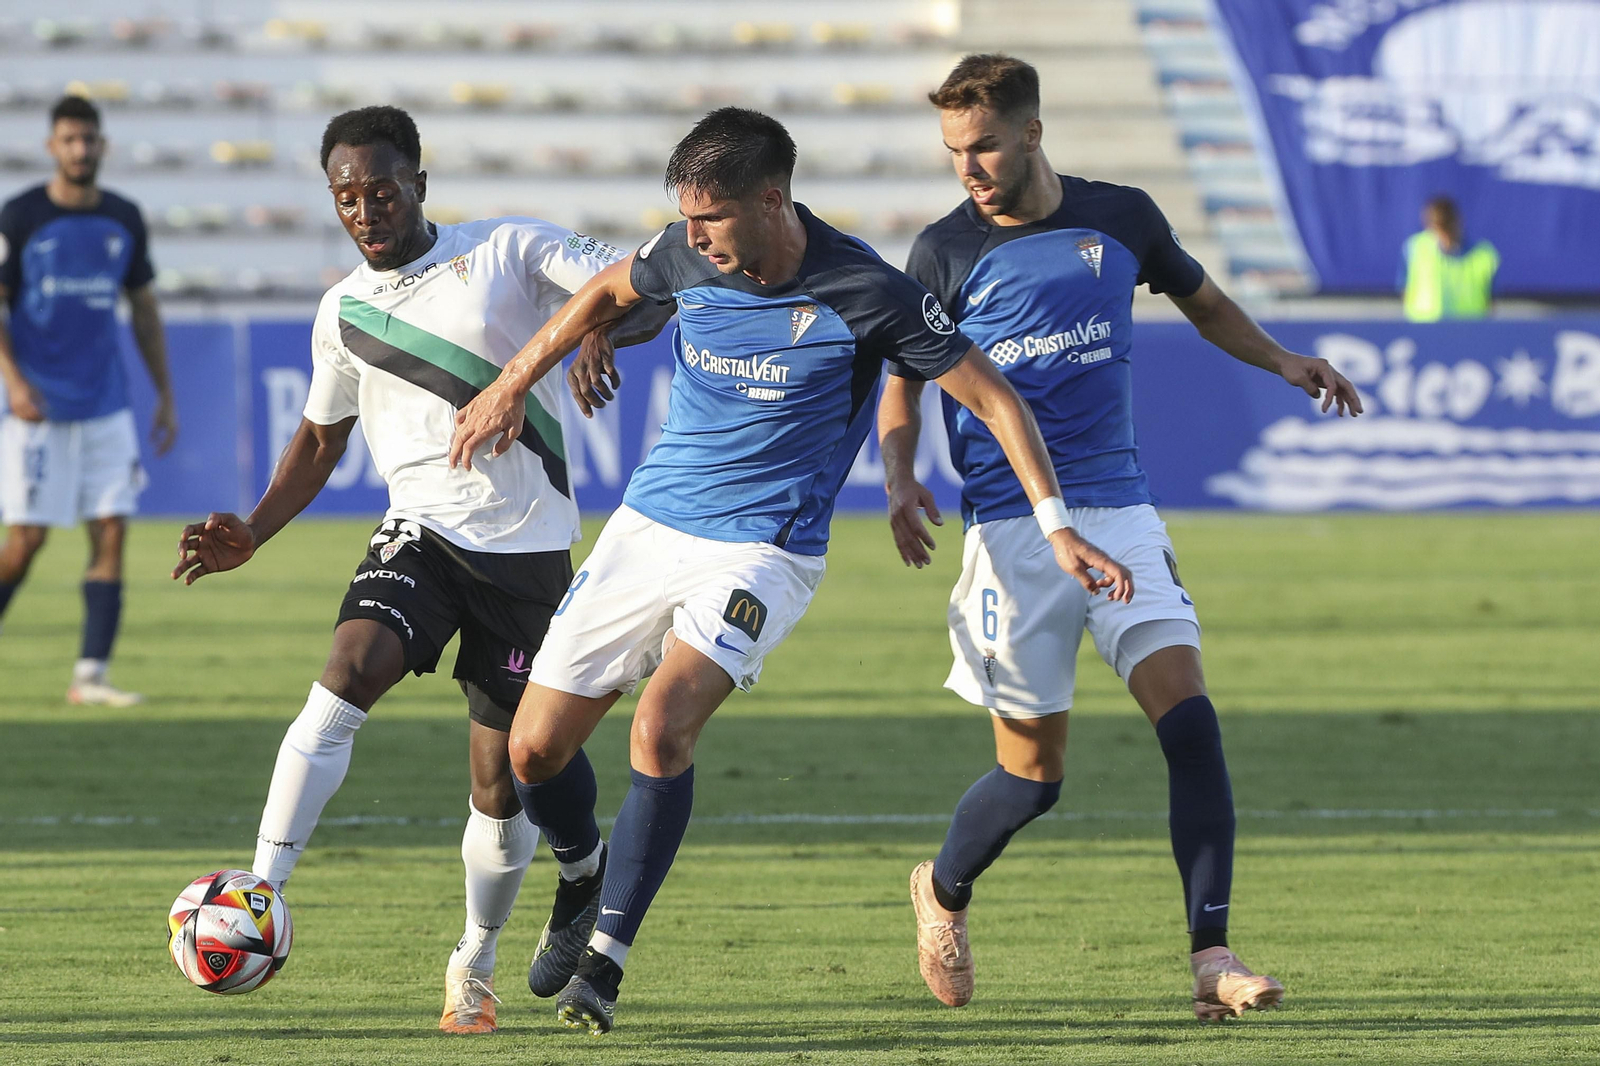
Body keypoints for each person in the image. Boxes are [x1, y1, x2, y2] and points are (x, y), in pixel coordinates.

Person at [448, 106, 1134, 1036]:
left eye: (712, 219)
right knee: (533, 754)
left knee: (659, 729)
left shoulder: (863, 288)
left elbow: (994, 395)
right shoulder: (689, 252)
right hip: (648, 526)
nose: (692, 239)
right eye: (685, 220)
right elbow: (607, 291)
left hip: (765, 548)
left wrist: (1054, 527)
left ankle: (605, 962)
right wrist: (509, 384)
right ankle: (583, 872)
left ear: (772, 200)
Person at [878, 55, 1362, 1020]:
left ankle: (1212, 960)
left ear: (1031, 133)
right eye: (952, 152)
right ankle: (943, 890)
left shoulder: (1122, 216)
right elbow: (902, 376)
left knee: (1189, 718)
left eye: (981, 148)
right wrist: (899, 475)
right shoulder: (941, 252)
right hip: (1012, 529)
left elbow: (1203, 298)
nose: (967, 168)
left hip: (1118, 506)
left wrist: (1281, 359)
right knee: (1033, 779)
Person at [170, 105, 630, 1035]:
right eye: (347, 196)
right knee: (345, 673)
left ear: (420, 180)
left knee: (502, 781)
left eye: (382, 189)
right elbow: (317, 436)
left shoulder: (504, 250)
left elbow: (635, 282)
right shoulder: (342, 311)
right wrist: (255, 531)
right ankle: (260, 888)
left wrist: (596, 329)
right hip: (418, 533)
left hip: (527, 552)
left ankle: (478, 955)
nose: (366, 210)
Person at [0, 94, 177, 704]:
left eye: (89, 139)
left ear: (102, 145)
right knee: (25, 542)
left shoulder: (124, 217)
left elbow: (144, 310)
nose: (80, 149)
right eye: (69, 140)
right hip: (39, 410)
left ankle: (90, 676)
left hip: (107, 406)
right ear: (53, 146)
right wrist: (15, 383)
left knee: (110, 531)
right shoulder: (19, 216)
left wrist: (164, 395)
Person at [1400, 194, 1498, 321]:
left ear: (1458, 222)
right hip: (1424, 333)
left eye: (1448, 228)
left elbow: (1490, 302)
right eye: (1439, 229)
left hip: (1469, 333)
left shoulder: (1485, 255)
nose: (1445, 237)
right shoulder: (1414, 248)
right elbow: (1405, 291)